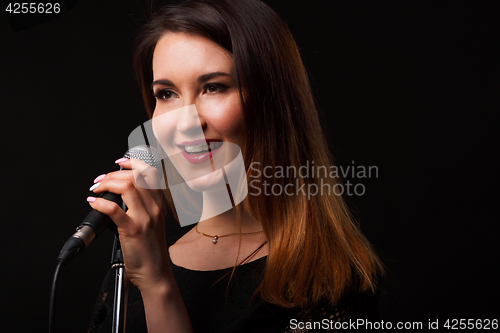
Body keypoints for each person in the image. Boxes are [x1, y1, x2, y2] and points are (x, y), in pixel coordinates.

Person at [87, 0, 384, 332]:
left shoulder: (329, 281)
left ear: (272, 100)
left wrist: (157, 284)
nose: (184, 123)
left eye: (214, 87)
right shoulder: (131, 266)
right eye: (167, 93)